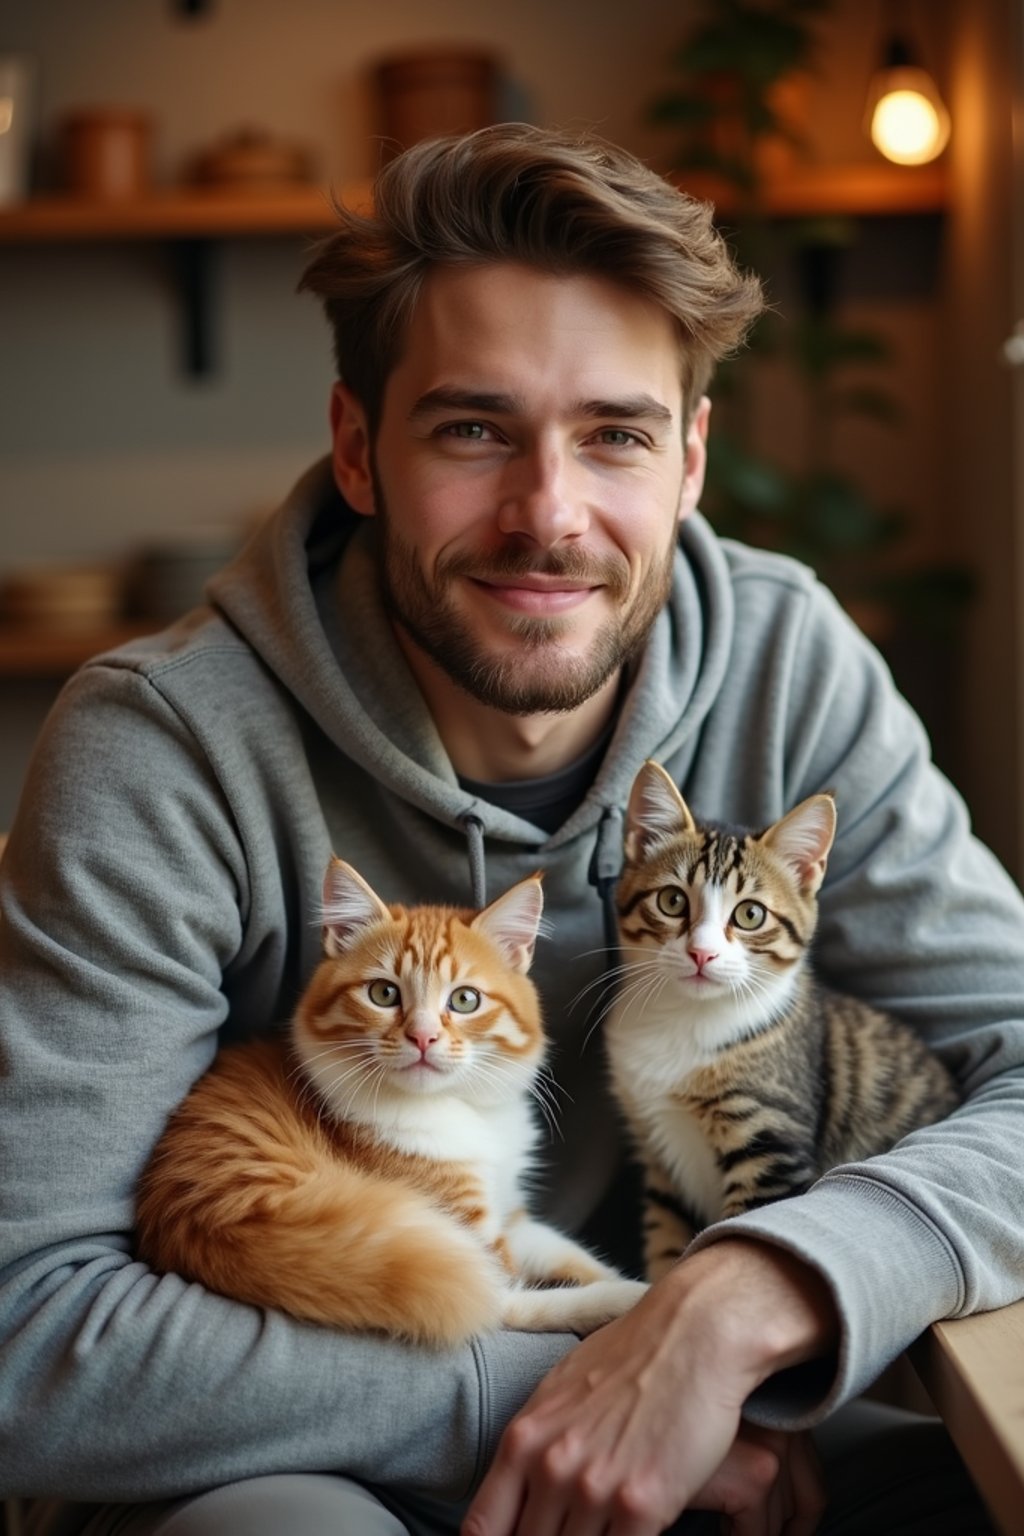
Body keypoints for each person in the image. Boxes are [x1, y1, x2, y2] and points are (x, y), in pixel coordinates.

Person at [0, 123, 1019, 1536]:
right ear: (359, 450)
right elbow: (28, 1339)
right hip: (295, 1442)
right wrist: (540, 1395)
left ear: (692, 462)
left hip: (702, 1380)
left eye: (616, 435)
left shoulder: (795, 662)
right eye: (475, 429)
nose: (549, 515)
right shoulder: (157, 747)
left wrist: (741, 1301)